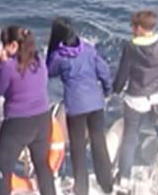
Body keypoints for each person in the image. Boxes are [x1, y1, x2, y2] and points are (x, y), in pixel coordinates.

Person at [113, 10, 158, 194]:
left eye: (132, 26)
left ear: (139, 28)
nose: (131, 30)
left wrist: (114, 89)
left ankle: (124, 180)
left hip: (137, 99)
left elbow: (122, 75)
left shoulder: (130, 48)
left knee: (130, 139)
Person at [46, 17, 113, 195]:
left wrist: (50, 52)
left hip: (76, 107)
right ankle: (107, 183)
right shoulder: (89, 49)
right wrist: (107, 90)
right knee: (99, 142)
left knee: (77, 148)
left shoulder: (59, 57)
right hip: (96, 103)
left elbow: (49, 72)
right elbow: (103, 70)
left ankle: (81, 189)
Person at [0, 26, 56, 195]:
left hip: (17, 125)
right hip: (42, 120)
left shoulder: (9, 67)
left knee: (3, 173)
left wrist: (1, 64)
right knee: (43, 166)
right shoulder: (40, 62)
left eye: (4, 44)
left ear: (13, 45)